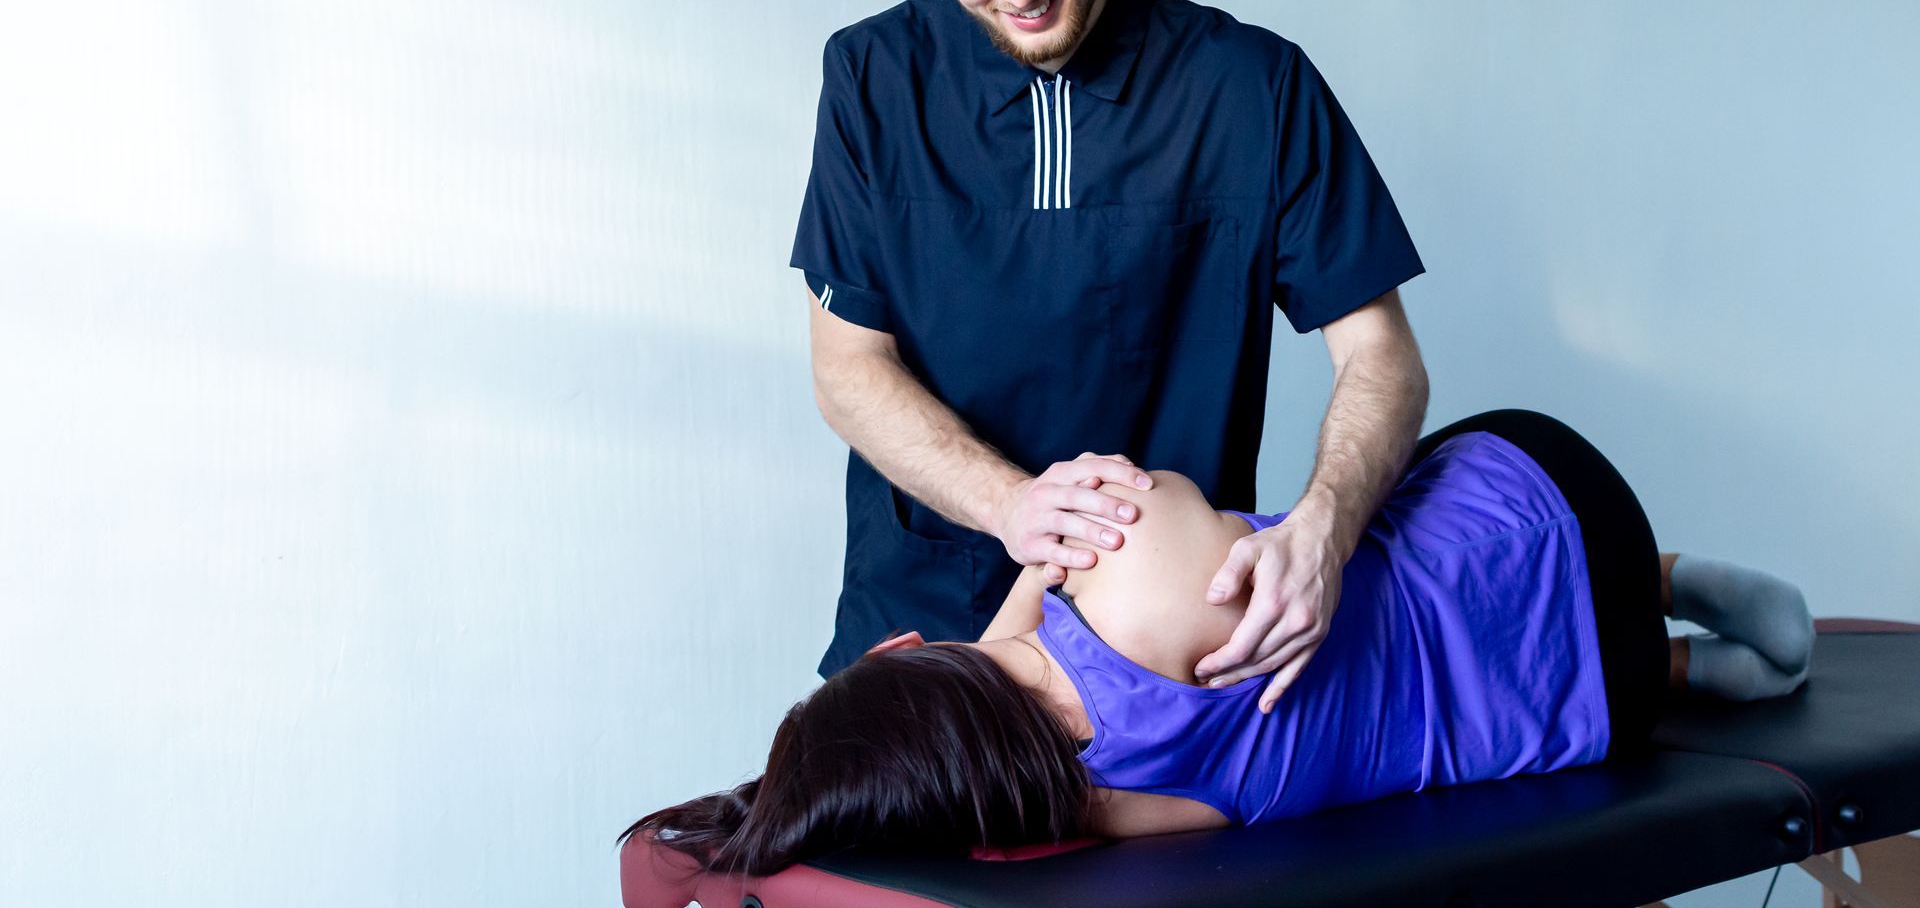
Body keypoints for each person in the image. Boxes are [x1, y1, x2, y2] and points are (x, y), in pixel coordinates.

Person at [792, 0, 1431, 707]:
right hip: (919, 625)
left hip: (1162, 648)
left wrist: (1322, 532)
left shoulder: (1251, 89)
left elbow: (1381, 355)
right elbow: (847, 370)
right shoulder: (874, 82)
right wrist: (1013, 506)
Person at [624, 410, 1816, 875]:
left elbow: (1019, 721)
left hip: (1588, 711)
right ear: (895, 652)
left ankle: (1695, 665)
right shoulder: (1128, 566)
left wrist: (1036, 575)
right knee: (1387, 528)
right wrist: (1054, 540)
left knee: (1393, 675)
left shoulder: (1099, 804)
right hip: (1555, 509)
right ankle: (1671, 576)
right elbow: (1184, 523)